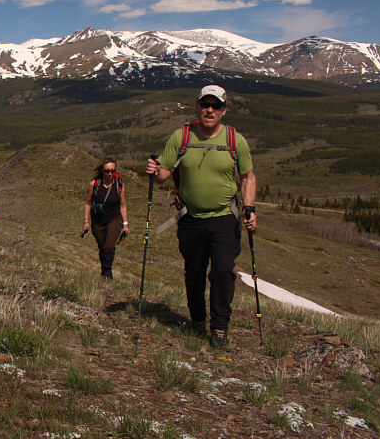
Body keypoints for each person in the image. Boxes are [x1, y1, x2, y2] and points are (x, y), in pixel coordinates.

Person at [145, 85, 257, 348]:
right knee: (194, 272)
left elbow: (247, 176)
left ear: (224, 110)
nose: (210, 110)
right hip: (190, 218)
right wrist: (155, 169)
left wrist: (249, 208)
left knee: (221, 271)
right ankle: (197, 319)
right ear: (197, 107)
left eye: (215, 106)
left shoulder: (234, 140)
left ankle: (219, 327)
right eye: (205, 105)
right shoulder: (181, 136)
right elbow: (163, 174)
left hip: (224, 217)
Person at [83, 156, 129, 279]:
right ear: (102, 171)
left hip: (115, 218)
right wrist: (86, 222)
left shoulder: (119, 184)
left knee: (109, 246)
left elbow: (123, 205)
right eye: (107, 171)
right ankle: (104, 271)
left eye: (112, 171)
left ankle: (107, 273)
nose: (110, 174)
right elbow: (88, 203)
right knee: (102, 247)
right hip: (98, 221)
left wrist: (125, 224)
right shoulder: (94, 185)